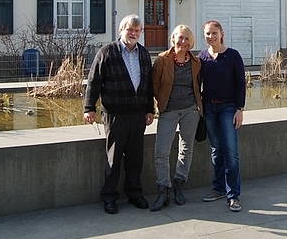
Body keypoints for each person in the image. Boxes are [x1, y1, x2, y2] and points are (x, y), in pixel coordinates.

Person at [84, 14, 155, 214]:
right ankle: (109, 197)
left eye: (137, 30)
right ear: (121, 30)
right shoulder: (107, 52)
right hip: (115, 114)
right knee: (113, 158)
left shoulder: (143, 53)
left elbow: (148, 85)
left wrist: (150, 109)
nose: (133, 33)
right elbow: (94, 81)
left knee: (135, 157)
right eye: (130, 30)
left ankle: (134, 194)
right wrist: (89, 107)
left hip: (137, 114)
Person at [149, 24, 203, 211]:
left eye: (187, 38)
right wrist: (159, 104)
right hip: (168, 111)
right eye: (180, 37)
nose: (183, 41)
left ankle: (179, 183)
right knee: (161, 152)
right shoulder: (162, 60)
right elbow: (154, 85)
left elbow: (197, 86)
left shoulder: (195, 62)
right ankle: (163, 189)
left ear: (191, 42)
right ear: (173, 39)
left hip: (190, 111)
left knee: (186, 149)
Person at [199, 20, 246, 212]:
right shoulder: (202, 57)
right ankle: (218, 188)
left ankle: (233, 195)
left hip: (228, 108)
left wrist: (240, 109)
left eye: (214, 33)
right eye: (208, 34)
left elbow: (240, 83)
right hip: (209, 108)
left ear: (221, 33)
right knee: (216, 150)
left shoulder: (233, 56)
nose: (211, 36)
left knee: (231, 153)